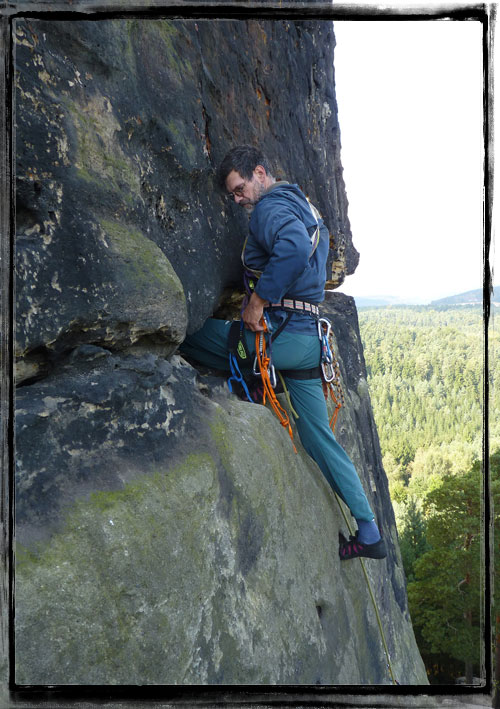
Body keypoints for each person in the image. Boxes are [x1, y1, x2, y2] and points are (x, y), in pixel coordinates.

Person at [180, 145, 386, 561]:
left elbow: (291, 249)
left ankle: (367, 530)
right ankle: (368, 531)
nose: (238, 200)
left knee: (187, 333)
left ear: (259, 172)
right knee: (319, 436)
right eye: (234, 195)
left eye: (240, 188)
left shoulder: (270, 209)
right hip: (310, 338)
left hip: (279, 336)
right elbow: (306, 254)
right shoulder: (308, 209)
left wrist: (258, 301)